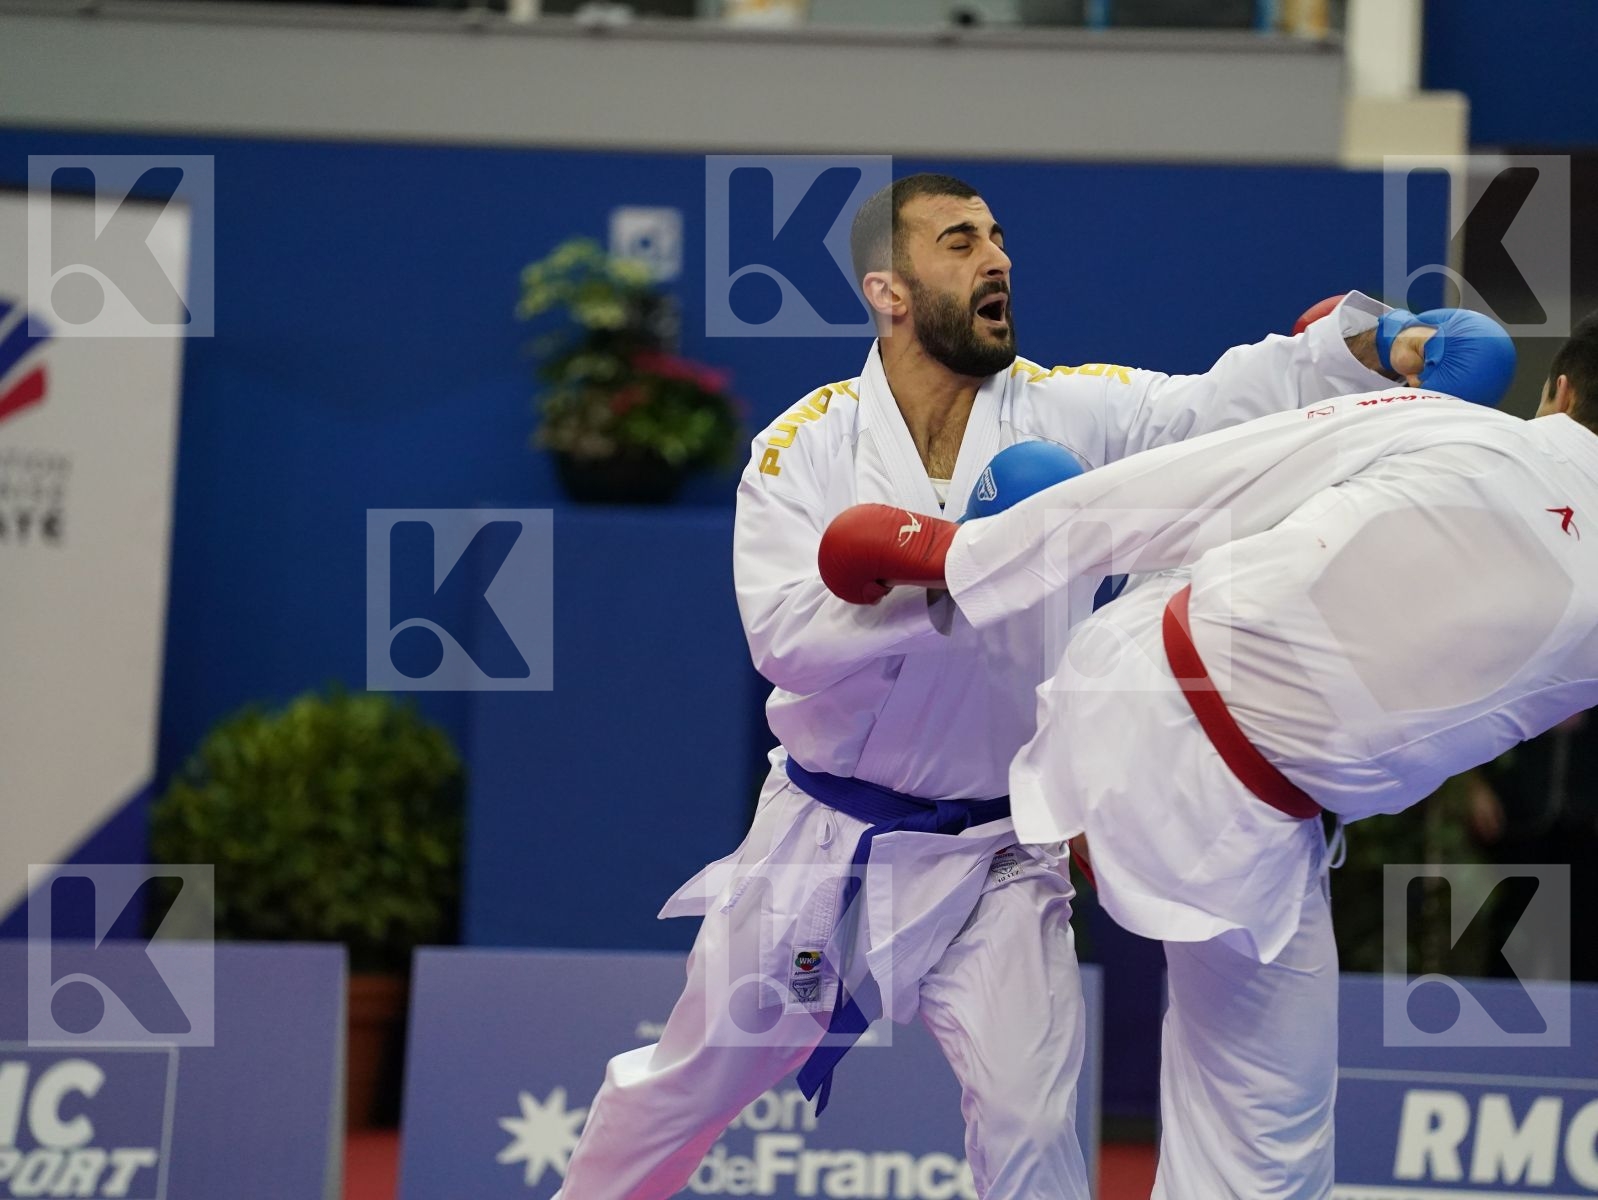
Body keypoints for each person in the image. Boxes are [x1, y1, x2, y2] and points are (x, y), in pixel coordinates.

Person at [555, 171, 1506, 1200]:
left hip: (999, 855)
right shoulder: (805, 445)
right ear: (888, 291)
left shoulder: (1069, 412)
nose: (995, 258)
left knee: (1031, 1125)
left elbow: (1215, 406)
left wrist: (1364, 347)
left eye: (997, 238)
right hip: (820, 845)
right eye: (958, 242)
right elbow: (784, 639)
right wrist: (956, 572)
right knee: (682, 1088)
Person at [815, 314, 1598, 1200]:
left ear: (1560, 392)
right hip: (1207, 770)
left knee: (1238, 495)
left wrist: (958, 554)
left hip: (1159, 730)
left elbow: (1199, 486)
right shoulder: (1455, 433)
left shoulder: (1455, 427)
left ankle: (1352, 342)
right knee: (1269, 1147)